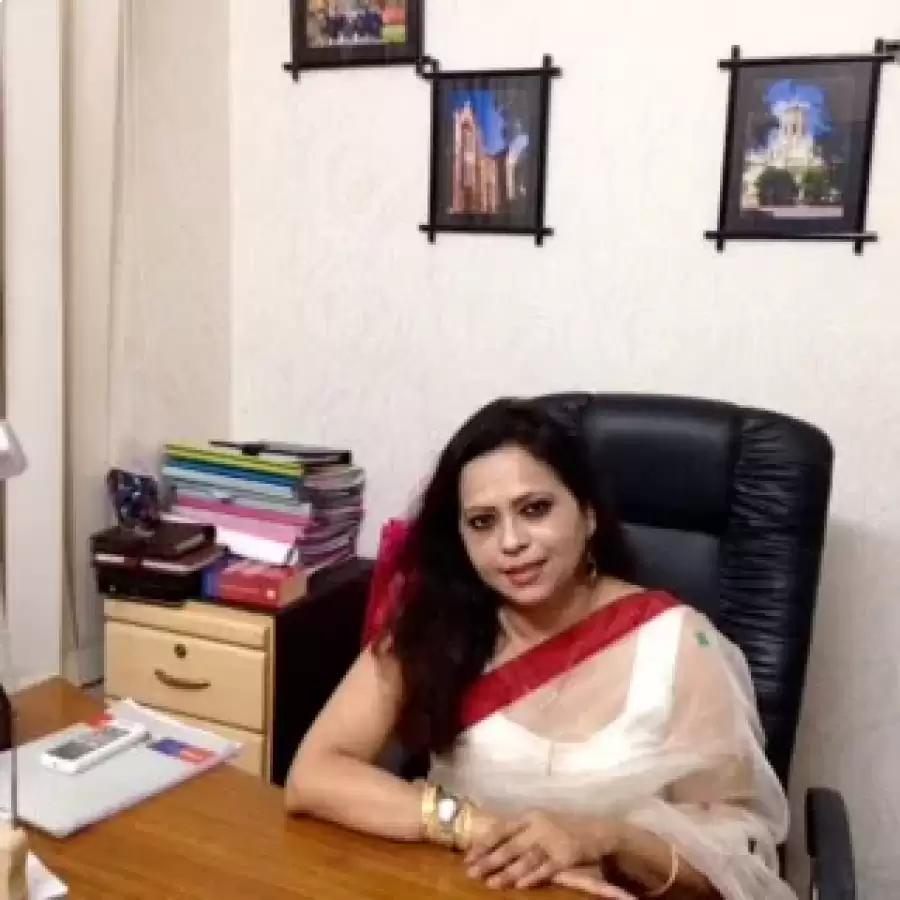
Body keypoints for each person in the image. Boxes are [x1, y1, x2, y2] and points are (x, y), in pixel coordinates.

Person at [285, 398, 797, 899]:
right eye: (482, 522)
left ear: (588, 515)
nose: (511, 542)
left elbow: (736, 862)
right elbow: (312, 775)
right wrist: (477, 827)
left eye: (534, 509)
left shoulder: (680, 644)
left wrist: (606, 839)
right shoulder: (436, 627)